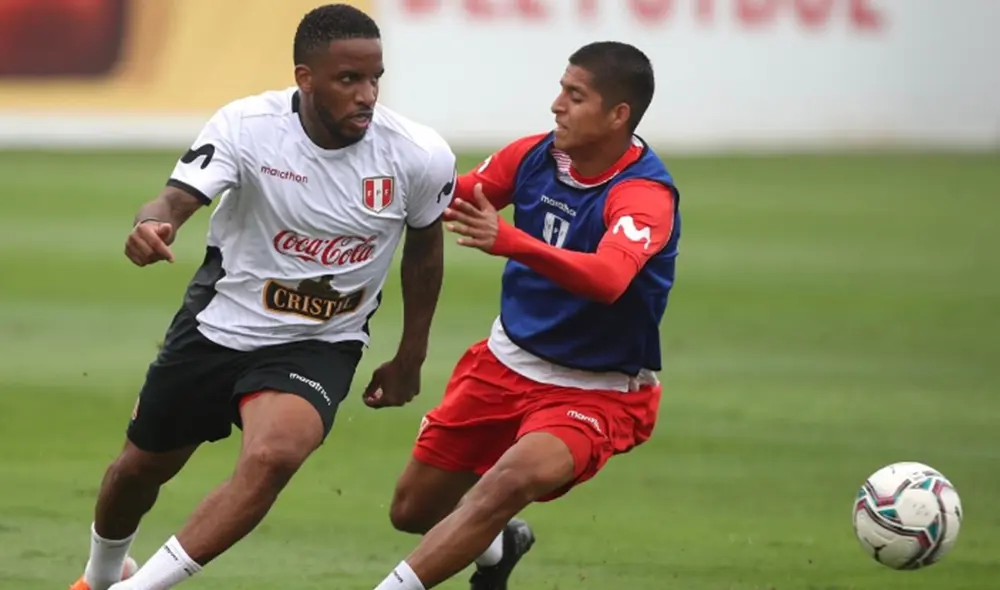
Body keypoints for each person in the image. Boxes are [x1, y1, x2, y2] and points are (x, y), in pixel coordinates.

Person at [68, 4, 458, 590]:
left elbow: (426, 254)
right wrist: (154, 225)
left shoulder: (418, 155)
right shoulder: (246, 126)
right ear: (305, 78)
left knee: (275, 456)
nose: (367, 95)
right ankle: (99, 578)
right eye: (348, 79)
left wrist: (412, 356)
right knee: (138, 470)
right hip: (219, 325)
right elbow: (173, 198)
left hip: (319, 343)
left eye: (375, 77)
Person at [373, 41, 681, 590]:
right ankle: (500, 544)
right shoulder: (532, 157)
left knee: (506, 481)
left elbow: (610, 278)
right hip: (504, 363)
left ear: (618, 115)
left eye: (574, 95)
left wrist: (512, 241)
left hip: (594, 391)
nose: (556, 104)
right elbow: (450, 199)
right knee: (412, 512)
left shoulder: (643, 196)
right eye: (562, 89)